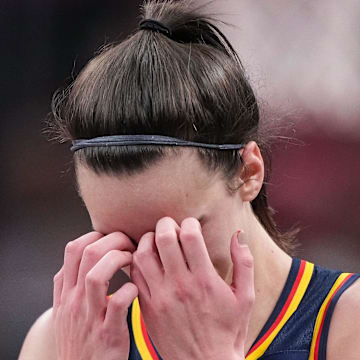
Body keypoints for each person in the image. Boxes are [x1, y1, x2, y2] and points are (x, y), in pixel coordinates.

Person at [19, 1, 360, 359]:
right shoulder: (61, 341)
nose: (154, 265)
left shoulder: (346, 324)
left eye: (178, 238)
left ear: (249, 173)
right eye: (122, 243)